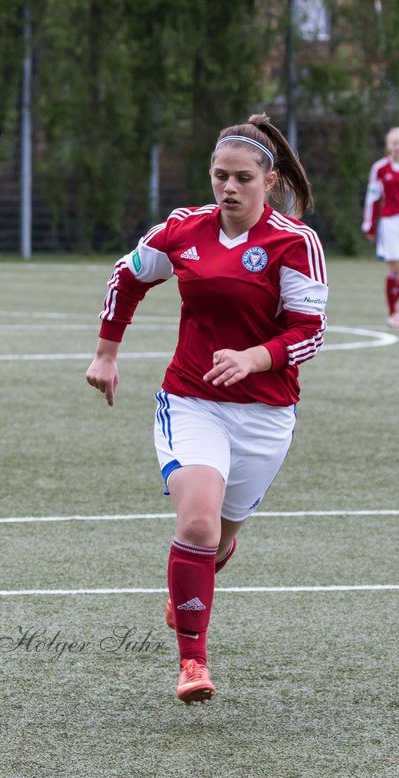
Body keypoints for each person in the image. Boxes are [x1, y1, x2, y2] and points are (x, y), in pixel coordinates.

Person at [85, 113, 327, 705]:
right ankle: (193, 662)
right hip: (191, 399)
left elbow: (311, 332)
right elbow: (128, 275)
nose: (229, 188)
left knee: (218, 537)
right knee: (196, 522)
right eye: (220, 176)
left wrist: (253, 357)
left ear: (268, 181)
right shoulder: (183, 230)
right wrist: (106, 353)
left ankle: (200, 568)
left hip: (267, 413)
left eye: (243, 177)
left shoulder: (293, 242)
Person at [361, 127, 399, 328]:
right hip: (391, 223)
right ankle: (393, 312)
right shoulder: (380, 168)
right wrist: (369, 225)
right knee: (395, 267)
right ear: (389, 146)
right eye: (395, 143)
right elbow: (372, 197)